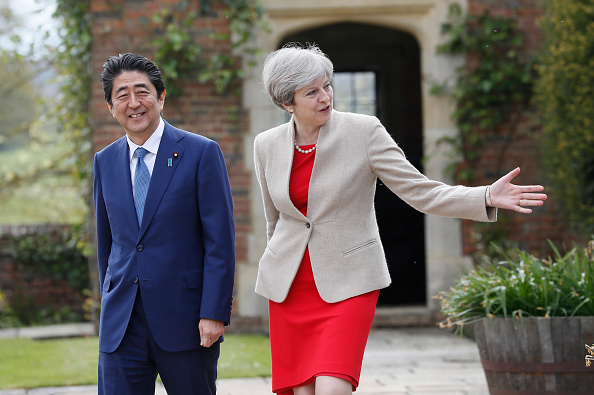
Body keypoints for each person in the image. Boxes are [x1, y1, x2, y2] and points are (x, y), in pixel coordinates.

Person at [253, 44, 547, 395]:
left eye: (327, 85)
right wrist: (275, 269)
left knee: (332, 389)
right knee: (302, 391)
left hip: (350, 280)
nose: (325, 96)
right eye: (311, 92)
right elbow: (276, 220)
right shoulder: (266, 144)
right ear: (288, 103)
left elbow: (421, 191)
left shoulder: (364, 132)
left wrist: (483, 195)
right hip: (290, 286)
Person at [93, 53, 235, 395]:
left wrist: (214, 313)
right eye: (122, 95)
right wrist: (109, 299)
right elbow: (106, 242)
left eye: (141, 92)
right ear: (111, 108)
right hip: (122, 322)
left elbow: (220, 242)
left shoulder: (201, 153)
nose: (133, 103)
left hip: (186, 321)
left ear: (161, 97)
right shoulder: (104, 161)